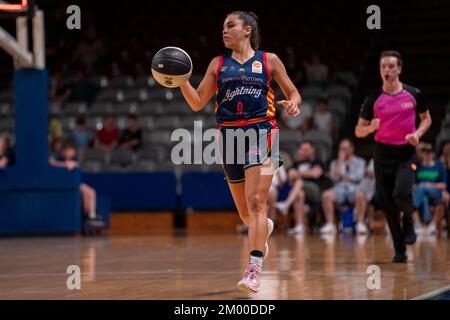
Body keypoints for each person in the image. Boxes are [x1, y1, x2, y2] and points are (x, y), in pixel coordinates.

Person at [179, 11, 301, 292]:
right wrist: (181, 81)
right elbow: (197, 103)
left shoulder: (269, 61)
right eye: (223, 26)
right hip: (229, 137)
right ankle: (264, 229)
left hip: (264, 132)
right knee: (247, 215)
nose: (224, 31)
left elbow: (293, 93)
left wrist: (293, 103)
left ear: (247, 30)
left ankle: (254, 268)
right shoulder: (217, 64)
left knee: (257, 202)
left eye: (230, 25)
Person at [355, 50, 432, 263]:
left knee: (401, 193)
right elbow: (358, 131)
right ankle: (400, 249)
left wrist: (417, 134)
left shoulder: (414, 94)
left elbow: (427, 119)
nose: (387, 70)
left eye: (391, 66)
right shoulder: (373, 99)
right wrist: (370, 127)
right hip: (382, 155)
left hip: (406, 153)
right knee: (388, 205)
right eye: (383, 67)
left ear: (399, 68)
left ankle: (409, 221)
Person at [50, 141, 104, 227]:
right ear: (63, 151)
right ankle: (90, 216)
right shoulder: (59, 158)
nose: (68, 152)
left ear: (74, 152)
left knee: (90, 193)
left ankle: (91, 215)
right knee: (88, 193)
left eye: (70, 150)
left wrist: (57, 164)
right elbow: (52, 163)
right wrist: (57, 163)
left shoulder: (75, 160)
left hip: (77, 184)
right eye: (66, 150)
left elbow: (70, 165)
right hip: (66, 185)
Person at [276, 141, 324, 235]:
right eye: (302, 150)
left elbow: (316, 174)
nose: (304, 152)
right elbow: (290, 176)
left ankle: (286, 205)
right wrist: (307, 173)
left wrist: (298, 174)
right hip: (299, 190)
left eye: (307, 149)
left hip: (314, 190)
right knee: (300, 194)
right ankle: (299, 226)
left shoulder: (317, 161)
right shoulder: (296, 163)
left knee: (299, 181)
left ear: (312, 150)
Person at [320, 139, 366, 234]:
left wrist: (345, 176)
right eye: (341, 149)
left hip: (354, 189)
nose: (342, 151)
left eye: (345, 148)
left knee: (361, 195)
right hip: (339, 189)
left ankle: (360, 224)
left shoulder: (360, 161)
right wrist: (340, 162)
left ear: (351, 149)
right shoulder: (335, 163)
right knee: (326, 195)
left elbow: (359, 176)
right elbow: (334, 177)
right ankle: (330, 224)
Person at [412, 143, 447, 236]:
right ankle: (422, 225)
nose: (426, 154)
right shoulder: (418, 166)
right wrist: (419, 186)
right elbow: (414, 184)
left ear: (433, 154)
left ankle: (412, 209)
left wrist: (430, 185)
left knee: (422, 188)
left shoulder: (439, 166)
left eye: (428, 152)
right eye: (424, 152)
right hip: (421, 194)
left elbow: (443, 185)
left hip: (435, 192)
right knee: (423, 197)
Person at [354, 159, 375, 235]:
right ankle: (360, 223)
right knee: (361, 195)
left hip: (385, 190)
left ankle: (367, 222)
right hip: (368, 190)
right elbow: (369, 172)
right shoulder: (375, 159)